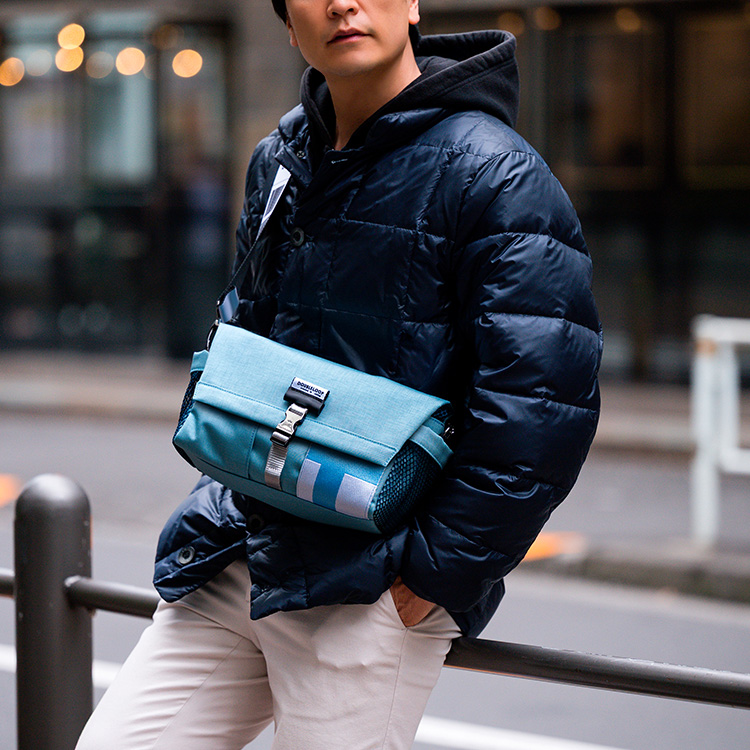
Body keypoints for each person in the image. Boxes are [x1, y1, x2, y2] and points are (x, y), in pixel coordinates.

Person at [76, 0, 602, 748]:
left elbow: (543, 404)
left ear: (413, 3)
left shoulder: (495, 172)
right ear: (290, 26)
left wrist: (428, 581)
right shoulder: (280, 158)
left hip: (371, 583)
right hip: (242, 546)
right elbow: (245, 331)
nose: (342, 3)